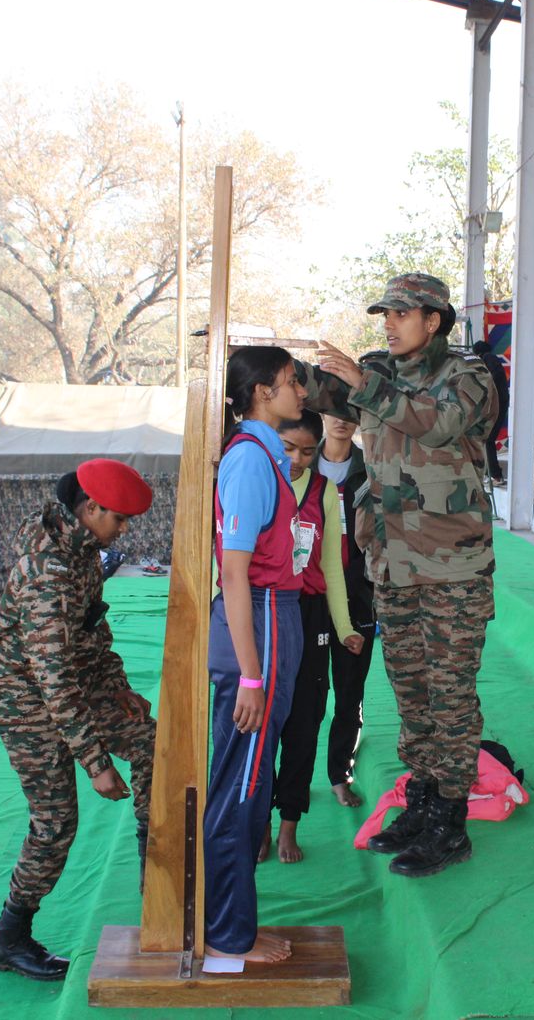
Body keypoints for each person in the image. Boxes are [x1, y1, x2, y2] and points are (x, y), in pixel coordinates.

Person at [300, 272, 497, 879]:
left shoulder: (467, 377)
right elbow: (317, 396)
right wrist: (255, 367)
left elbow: (435, 424)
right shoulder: (373, 370)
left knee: (450, 696)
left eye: (401, 313)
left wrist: (366, 385)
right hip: (390, 563)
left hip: (452, 568)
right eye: (384, 313)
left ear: (434, 320)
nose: (388, 322)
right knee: (412, 692)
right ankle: (423, 799)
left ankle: (451, 821)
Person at [0, 458, 157, 982]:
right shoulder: (49, 571)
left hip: (73, 687)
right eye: (119, 518)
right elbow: (52, 677)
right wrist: (96, 762)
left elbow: (91, 634)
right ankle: (10, 937)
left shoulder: (82, 550)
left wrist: (120, 693)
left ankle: (161, 878)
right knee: (56, 821)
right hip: (26, 704)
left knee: (153, 742)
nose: (124, 528)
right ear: (90, 508)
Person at [206, 344, 309, 963]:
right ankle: (226, 933)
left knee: (254, 774)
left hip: (279, 618)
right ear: (263, 393)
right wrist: (250, 672)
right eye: (293, 382)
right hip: (262, 624)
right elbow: (235, 574)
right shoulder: (248, 461)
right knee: (239, 786)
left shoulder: (269, 457)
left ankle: (233, 923)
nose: (301, 392)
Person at [263, 409, 366, 863]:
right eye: (288, 449)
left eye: (307, 451)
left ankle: (289, 824)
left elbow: (332, 568)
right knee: (263, 727)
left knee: (305, 721)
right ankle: (257, 824)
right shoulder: (257, 483)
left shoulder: (324, 490)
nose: (298, 459)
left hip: (310, 617)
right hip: (265, 613)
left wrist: (343, 628)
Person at [316, 413, 377, 809]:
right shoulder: (295, 462)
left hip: (358, 596)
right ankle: (286, 786)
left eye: (349, 411)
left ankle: (341, 773)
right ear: (320, 413)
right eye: (332, 410)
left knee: (349, 692)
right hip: (307, 598)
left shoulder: (373, 468)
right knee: (304, 695)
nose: (340, 420)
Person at [471, 340, 509, 484]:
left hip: (498, 404)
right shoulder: (488, 359)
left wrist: (483, 385)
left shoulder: (488, 358)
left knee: (488, 440)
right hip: (497, 403)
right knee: (486, 439)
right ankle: (492, 474)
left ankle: (496, 476)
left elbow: (495, 374)